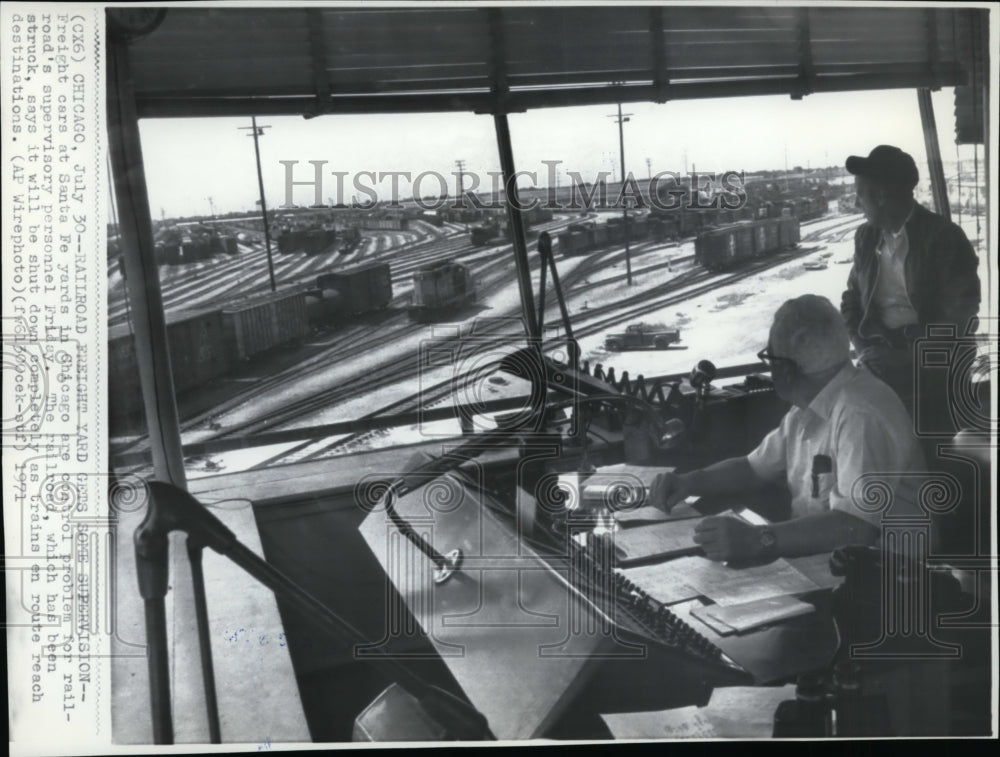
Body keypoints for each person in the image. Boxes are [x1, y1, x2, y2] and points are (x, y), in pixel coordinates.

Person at [648, 295, 925, 563]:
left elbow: (856, 527)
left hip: (889, 579)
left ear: (789, 369)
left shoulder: (860, 413)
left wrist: (758, 540)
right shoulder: (809, 407)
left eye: (770, 360)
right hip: (831, 563)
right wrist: (688, 482)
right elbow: (752, 467)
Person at [840, 145, 980, 423]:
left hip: (935, 367)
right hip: (882, 358)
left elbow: (959, 319)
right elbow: (851, 302)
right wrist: (864, 350)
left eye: (860, 196)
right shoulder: (866, 238)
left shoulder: (944, 238)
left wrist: (905, 356)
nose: (857, 205)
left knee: (928, 447)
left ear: (881, 197)